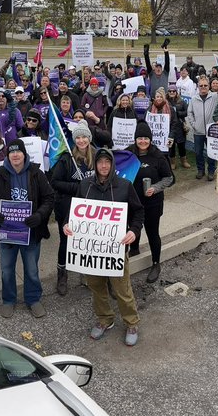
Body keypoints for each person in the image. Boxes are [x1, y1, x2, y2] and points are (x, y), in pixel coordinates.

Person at [63, 148, 145, 345]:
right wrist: (67, 223)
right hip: (90, 251)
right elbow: (74, 211)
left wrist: (133, 231)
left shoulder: (125, 186)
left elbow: (138, 212)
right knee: (96, 287)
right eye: (100, 162)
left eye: (108, 162)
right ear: (95, 164)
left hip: (116, 250)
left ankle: (131, 322)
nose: (104, 165)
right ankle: (104, 319)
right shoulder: (85, 185)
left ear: (112, 164)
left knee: (122, 289)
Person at [0, 138, 55, 319]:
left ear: (24, 154)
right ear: (8, 155)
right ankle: (9, 300)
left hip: (30, 231)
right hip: (8, 232)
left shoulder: (36, 173)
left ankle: (33, 299)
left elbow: (49, 198)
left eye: (18, 151)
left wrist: (40, 215)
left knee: (31, 268)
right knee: (7, 269)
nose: (15, 155)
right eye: (12, 152)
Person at [50, 125, 95, 295]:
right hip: (67, 206)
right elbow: (55, 182)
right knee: (66, 241)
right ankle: (62, 274)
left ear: (89, 138)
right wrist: (78, 187)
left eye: (84, 137)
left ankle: (85, 272)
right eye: (78, 138)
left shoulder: (97, 156)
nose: (81, 140)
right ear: (74, 140)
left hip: (90, 207)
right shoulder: (66, 158)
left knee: (87, 240)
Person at [126, 121, 174, 283]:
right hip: (132, 203)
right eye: (140, 138)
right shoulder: (129, 153)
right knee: (133, 228)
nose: (143, 142)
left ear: (150, 139)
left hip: (152, 203)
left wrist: (155, 188)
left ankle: (155, 263)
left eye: (146, 138)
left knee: (152, 233)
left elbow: (169, 178)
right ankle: (134, 250)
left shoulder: (158, 156)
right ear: (135, 139)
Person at [186, 77, 218, 181]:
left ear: (209, 86)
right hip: (198, 131)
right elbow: (189, 112)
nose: (203, 87)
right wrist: (193, 124)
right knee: (198, 152)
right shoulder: (194, 98)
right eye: (201, 85)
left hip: (211, 131)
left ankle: (211, 171)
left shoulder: (214, 96)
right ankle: (200, 170)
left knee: (211, 152)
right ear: (198, 87)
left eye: (205, 85)